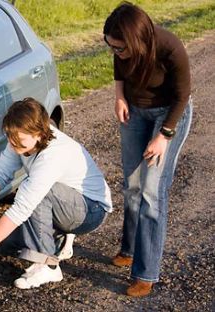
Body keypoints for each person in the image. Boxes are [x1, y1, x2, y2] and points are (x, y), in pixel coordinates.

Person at [0, 98, 112, 289]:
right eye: (11, 141)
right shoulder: (19, 139)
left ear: (38, 134)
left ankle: (49, 266)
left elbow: (21, 208)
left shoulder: (53, 155)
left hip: (90, 210)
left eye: (19, 143)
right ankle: (59, 239)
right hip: (68, 202)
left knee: (32, 194)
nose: (14, 147)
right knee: (10, 244)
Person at [103, 2, 192, 297]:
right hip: (135, 112)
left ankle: (146, 273)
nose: (115, 53)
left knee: (152, 192)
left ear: (137, 41)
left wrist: (164, 136)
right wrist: (119, 97)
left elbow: (182, 96)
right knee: (131, 185)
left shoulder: (169, 47)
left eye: (119, 48)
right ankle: (129, 249)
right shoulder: (121, 48)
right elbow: (119, 67)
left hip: (168, 115)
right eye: (111, 46)